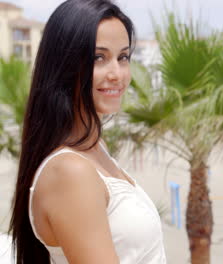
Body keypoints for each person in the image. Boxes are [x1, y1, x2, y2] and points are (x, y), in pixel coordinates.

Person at [8, 0, 166, 263]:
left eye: (123, 57)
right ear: (64, 64)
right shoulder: (71, 171)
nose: (117, 73)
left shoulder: (93, 147)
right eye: (98, 58)